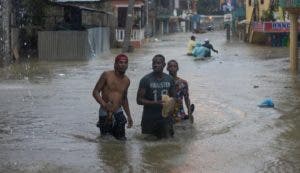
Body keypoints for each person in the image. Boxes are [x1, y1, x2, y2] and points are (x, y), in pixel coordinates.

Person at [92, 54, 133, 140]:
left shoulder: (127, 81)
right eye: (120, 62)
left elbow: (124, 99)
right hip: (105, 111)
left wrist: (129, 116)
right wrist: (104, 104)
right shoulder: (106, 75)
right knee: (106, 141)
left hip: (118, 111)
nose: (123, 65)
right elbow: (95, 92)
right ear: (115, 64)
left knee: (122, 139)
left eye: (125, 63)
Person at [137, 54, 176, 139]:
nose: (155, 65)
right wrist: (155, 103)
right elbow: (139, 100)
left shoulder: (169, 79)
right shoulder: (145, 79)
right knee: (148, 147)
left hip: (165, 118)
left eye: (158, 63)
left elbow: (174, 97)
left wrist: (171, 107)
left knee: (168, 144)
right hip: (149, 118)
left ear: (164, 65)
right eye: (154, 63)